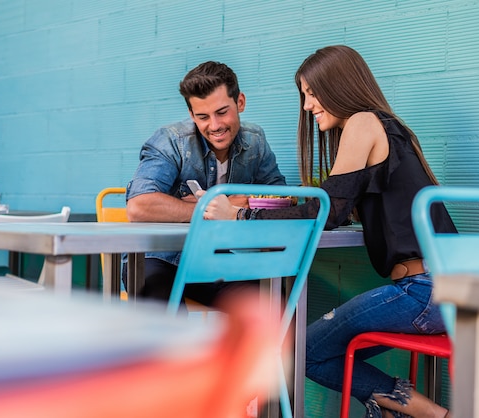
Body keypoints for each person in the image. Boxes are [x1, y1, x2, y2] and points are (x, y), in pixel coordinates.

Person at [202, 45, 455, 418]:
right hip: (447, 291)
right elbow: (342, 204)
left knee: (299, 351)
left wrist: (239, 215)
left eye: (311, 92)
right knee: (315, 349)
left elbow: (327, 211)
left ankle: (430, 413)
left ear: (338, 85)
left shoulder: (364, 122)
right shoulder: (392, 129)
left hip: (424, 293)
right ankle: (394, 407)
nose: (307, 105)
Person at [125, 61, 286, 306]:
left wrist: (234, 210)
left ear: (240, 102)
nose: (215, 125)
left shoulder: (255, 142)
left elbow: (280, 198)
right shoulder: (171, 141)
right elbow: (139, 206)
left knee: (271, 307)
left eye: (222, 112)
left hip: (211, 258)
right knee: (166, 320)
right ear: (191, 115)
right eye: (202, 116)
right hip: (156, 258)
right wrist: (214, 209)